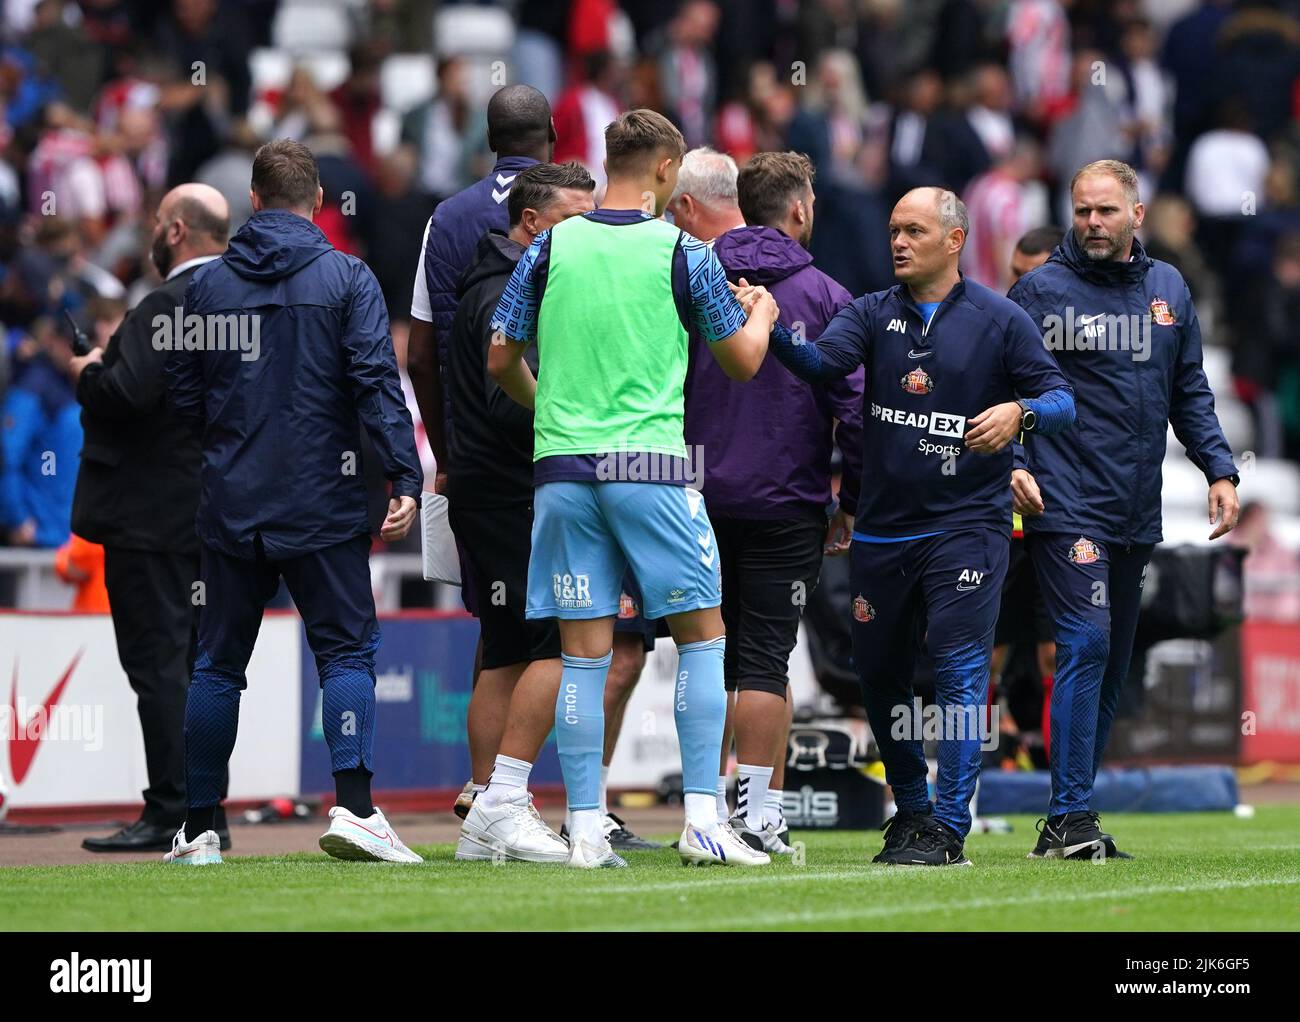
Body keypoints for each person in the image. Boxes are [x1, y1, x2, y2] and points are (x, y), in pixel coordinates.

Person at [488, 109, 781, 869]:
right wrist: (764, 314)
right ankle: (706, 823)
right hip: (649, 465)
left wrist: (549, 407)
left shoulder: (549, 245)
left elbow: (499, 357)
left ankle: (584, 828)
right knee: (703, 639)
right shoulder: (684, 251)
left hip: (561, 467)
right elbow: (743, 362)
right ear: (664, 169)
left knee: (581, 655)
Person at [762, 186, 1075, 866]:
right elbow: (821, 365)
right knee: (878, 676)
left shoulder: (999, 319)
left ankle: (949, 828)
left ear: (954, 240)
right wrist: (771, 328)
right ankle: (912, 809)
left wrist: (1019, 415)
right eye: (893, 230)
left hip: (969, 525)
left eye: (913, 231)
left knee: (962, 675)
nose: (897, 242)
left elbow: (1060, 398)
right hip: (883, 530)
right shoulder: (872, 313)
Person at [163, 139, 425, 865]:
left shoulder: (206, 289)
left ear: (252, 200)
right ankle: (357, 809)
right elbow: (377, 383)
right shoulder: (347, 277)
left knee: (217, 665)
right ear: (317, 202)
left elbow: (184, 397)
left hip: (233, 502)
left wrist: (226, 453)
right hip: (324, 500)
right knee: (345, 654)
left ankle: (199, 827)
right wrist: (405, 476)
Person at [1008, 159, 1239, 859]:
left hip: (1135, 507)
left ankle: (1070, 813)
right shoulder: (1039, 291)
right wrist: (1015, 464)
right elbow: (1002, 387)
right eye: (1082, 211)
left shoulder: (1169, 288)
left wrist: (1220, 470)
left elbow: (1189, 391)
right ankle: (1070, 815)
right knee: (1085, 643)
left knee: (1112, 663)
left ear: (1137, 214)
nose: (1092, 224)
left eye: (1106, 211)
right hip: (1066, 499)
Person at [681, 149, 864, 855]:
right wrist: (852, 500)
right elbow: (853, 408)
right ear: (798, 210)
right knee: (763, 662)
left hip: (690, 498)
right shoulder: (825, 295)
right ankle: (754, 817)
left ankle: (703, 811)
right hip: (786, 501)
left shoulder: (687, 275)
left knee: (704, 656)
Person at [404, 84, 556, 820]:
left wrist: (445, 445)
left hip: (473, 457)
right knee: (563, 633)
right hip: (547, 454)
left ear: (487, 139)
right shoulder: (569, 206)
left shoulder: (447, 216)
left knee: (499, 629)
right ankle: (521, 795)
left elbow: (422, 352)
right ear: (551, 136)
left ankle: (482, 786)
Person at [70, 182, 232, 853]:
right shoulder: (242, 306)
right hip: (216, 514)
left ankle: (175, 812)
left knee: (160, 666)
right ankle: (205, 811)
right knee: (200, 668)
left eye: (155, 224)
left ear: (174, 231)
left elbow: (127, 395)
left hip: (150, 518)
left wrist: (89, 369)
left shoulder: (165, 304)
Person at [445, 161, 597, 864]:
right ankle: (505, 802)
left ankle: (485, 812)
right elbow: (512, 402)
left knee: (505, 648)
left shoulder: (489, 279)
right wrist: (578, 420)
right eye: (574, 218)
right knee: (553, 646)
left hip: (486, 487)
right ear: (532, 223)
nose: (587, 232)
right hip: (511, 489)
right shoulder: (514, 285)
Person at [991, 224, 1063, 764]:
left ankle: (1061, 780)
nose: (1017, 286)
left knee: (1054, 654)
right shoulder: (993, 331)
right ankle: (994, 757)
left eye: (1027, 275)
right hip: (996, 525)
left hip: (1055, 521)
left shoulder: (1079, 343)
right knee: (983, 652)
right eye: (1012, 275)